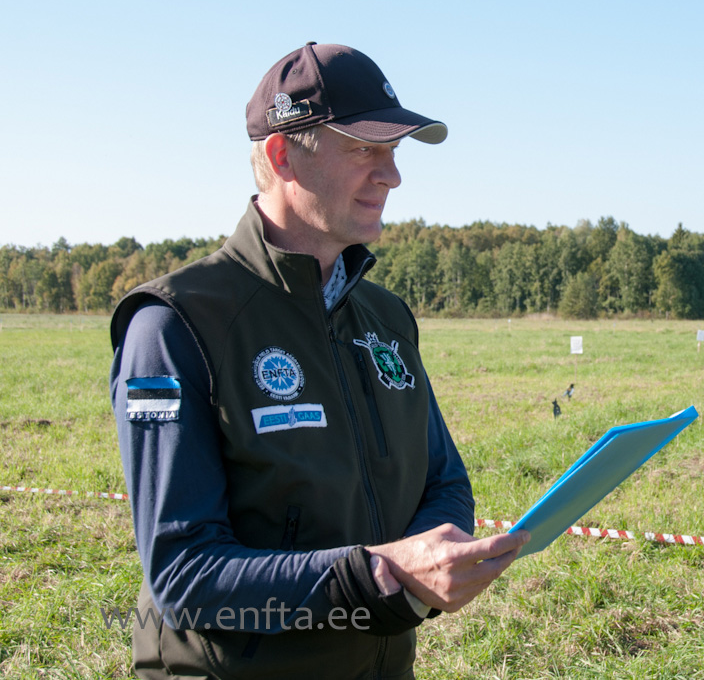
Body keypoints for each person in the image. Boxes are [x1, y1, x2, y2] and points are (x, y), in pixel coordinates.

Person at [109, 42, 528, 679]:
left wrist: (433, 555)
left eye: (395, 151)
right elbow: (183, 573)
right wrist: (376, 575)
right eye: (365, 150)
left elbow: (444, 479)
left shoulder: (387, 318)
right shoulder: (173, 324)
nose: (392, 176)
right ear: (283, 156)